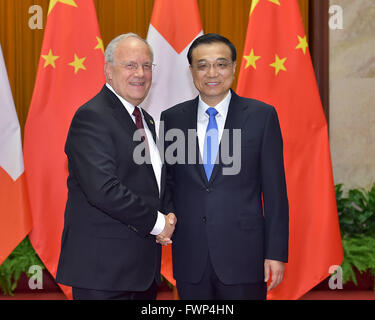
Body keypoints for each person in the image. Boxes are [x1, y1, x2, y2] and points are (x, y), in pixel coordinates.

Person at [160, 33, 289, 300]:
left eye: (221, 64)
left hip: (244, 257)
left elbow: (275, 192)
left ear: (234, 67)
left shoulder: (261, 116)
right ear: (191, 71)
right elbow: (167, 181)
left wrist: (275, 253)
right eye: (202, 65)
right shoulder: (171, 119)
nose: (212, 73)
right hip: (190, 255)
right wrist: (168, 217)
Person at [56, 33, 176, 300]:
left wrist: (170, 214)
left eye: (146, 66)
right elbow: (103, 189)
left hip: (142, 273)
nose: (141, 74)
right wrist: (159, 223)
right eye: (130, 65)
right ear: (108, 71)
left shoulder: (146, 120)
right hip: (103, 275)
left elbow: (152, 183)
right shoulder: (91, 117)